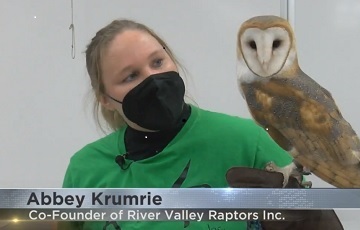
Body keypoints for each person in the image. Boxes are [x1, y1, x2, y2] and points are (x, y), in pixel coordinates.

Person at [60, 19, 342, 230]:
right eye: (130, 76)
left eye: (157, 62)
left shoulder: (246, 142)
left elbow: (311, 218)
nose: (153, 80)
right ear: (106, 99)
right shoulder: (85, 169)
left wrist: (308, 217)